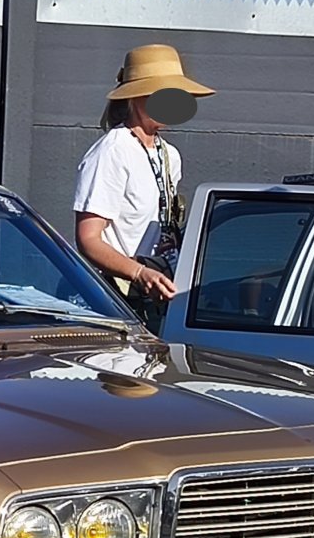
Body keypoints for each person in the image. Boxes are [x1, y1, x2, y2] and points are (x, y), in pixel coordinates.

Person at [73, 44, 213, 328]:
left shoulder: (169, 154)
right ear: (135, 97)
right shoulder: (113, 151)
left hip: (159, 296)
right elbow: (88, 238)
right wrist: (139, 274)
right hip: (118, 301)